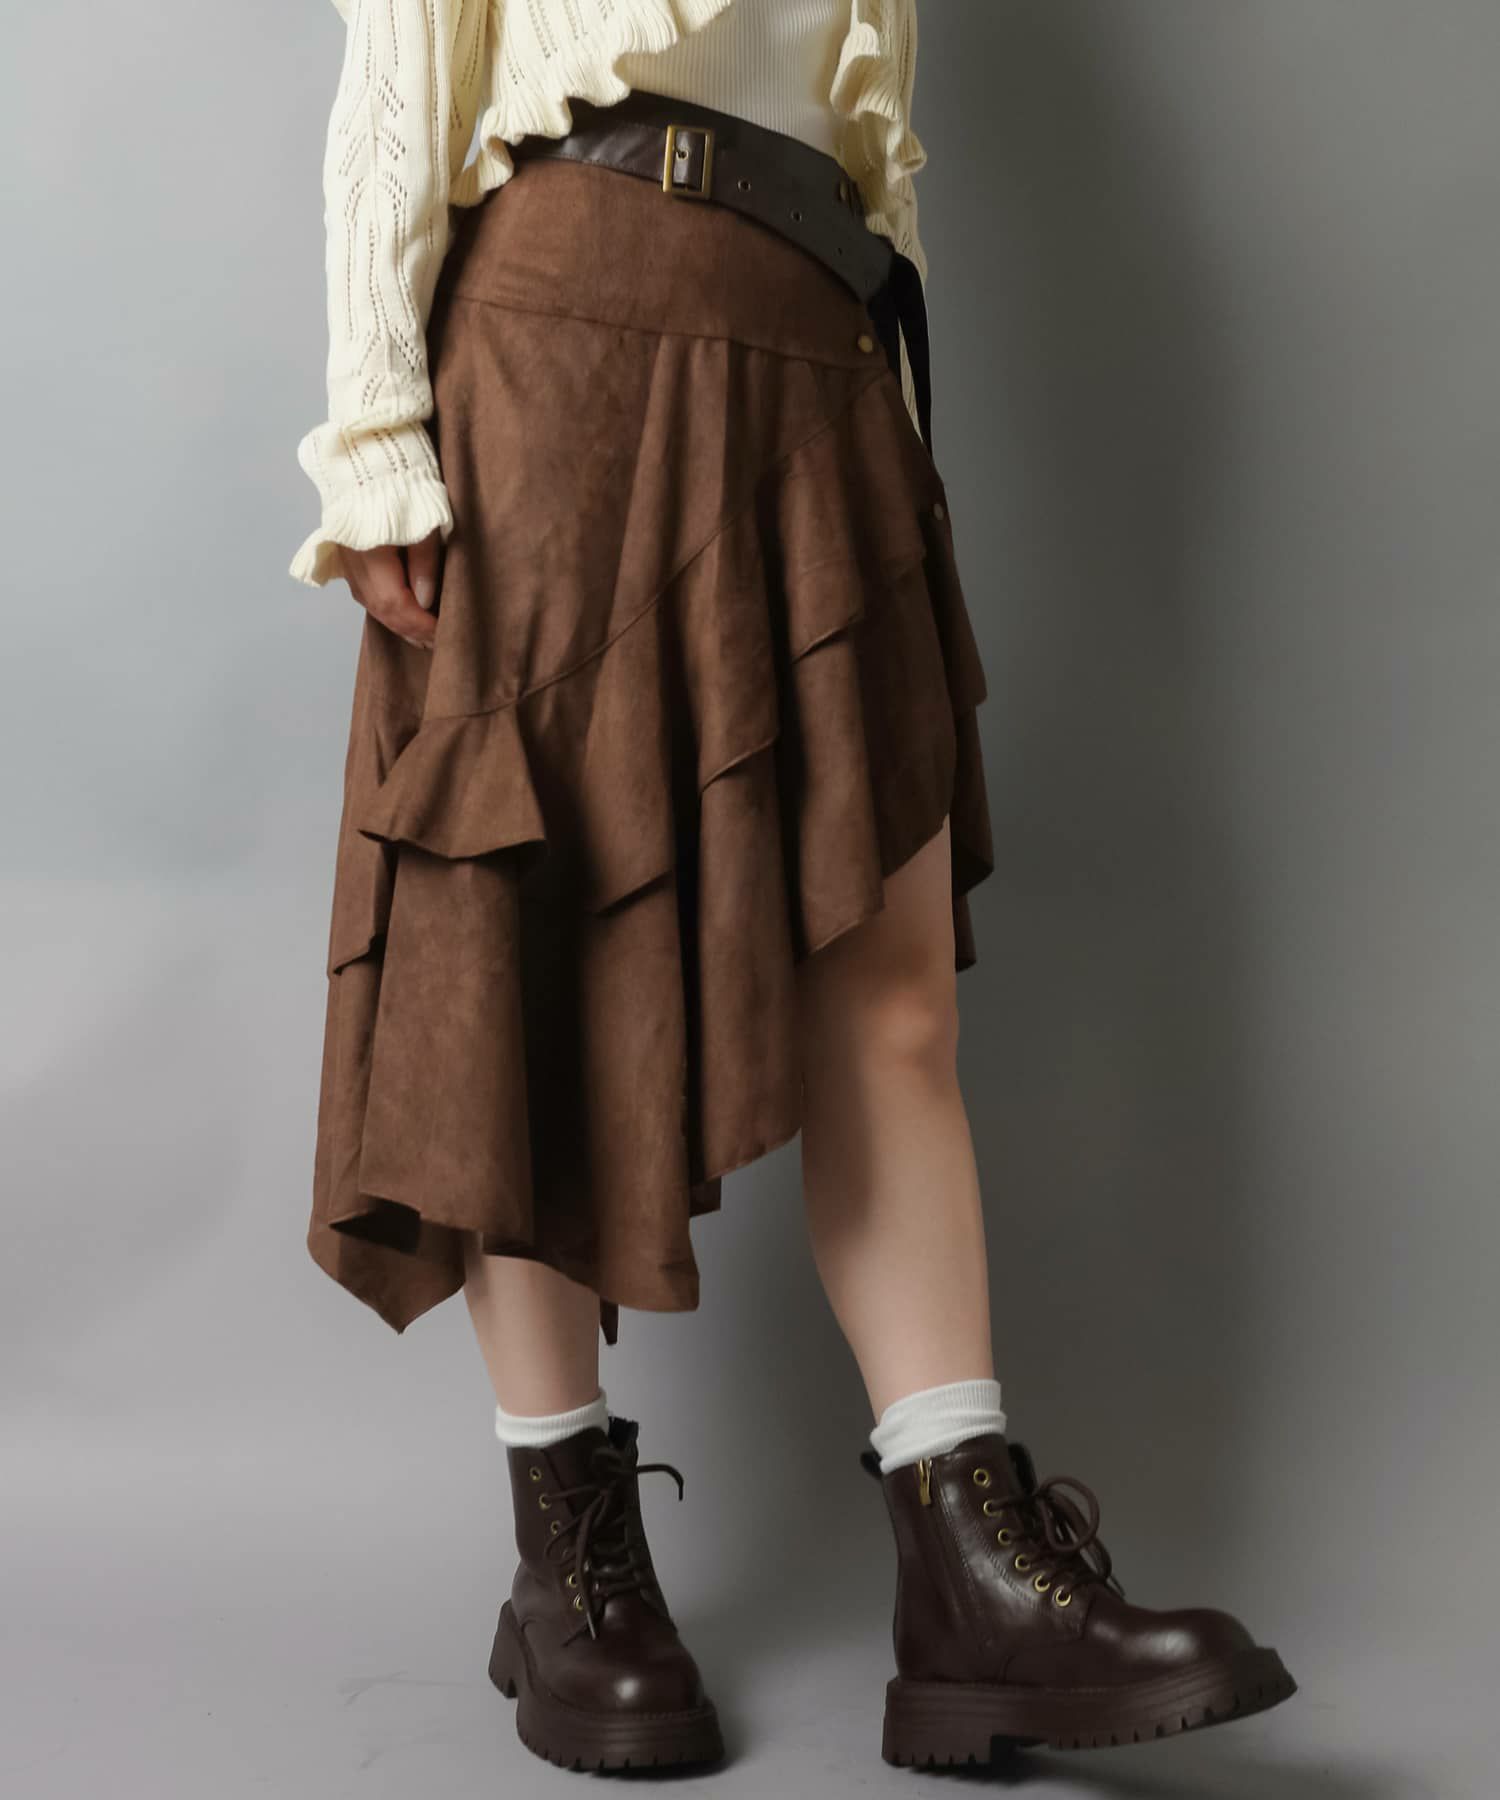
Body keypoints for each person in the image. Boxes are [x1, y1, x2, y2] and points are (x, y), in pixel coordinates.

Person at [290, 0, 1297, 1774]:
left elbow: (855, 117)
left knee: (889, 992)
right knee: (519, 941)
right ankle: (568, 1559)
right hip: (565, 316)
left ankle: (972, 1581)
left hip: (820, 349)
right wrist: (376, 426)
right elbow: (404, 52)